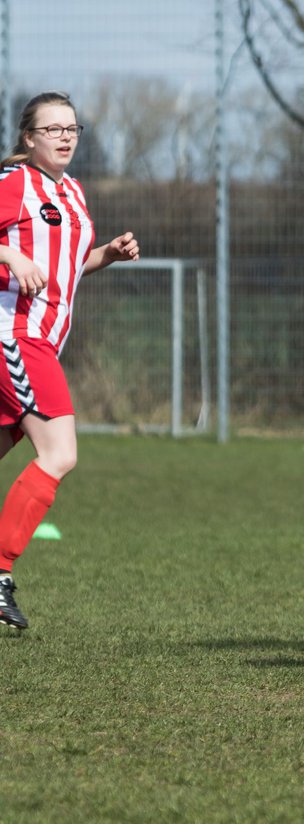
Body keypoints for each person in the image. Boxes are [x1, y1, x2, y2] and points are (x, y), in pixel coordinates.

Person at [0, 91, 140, 630]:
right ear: (29, 138)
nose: (64, 136)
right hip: (15, 334)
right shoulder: (14, 184)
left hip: (41, 340)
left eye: (72, 129)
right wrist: (8, 253)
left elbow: (66, 265)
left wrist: (107, 255)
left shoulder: (73, 192)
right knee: (59, 453)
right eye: (52, 129)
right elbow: (21, 257)